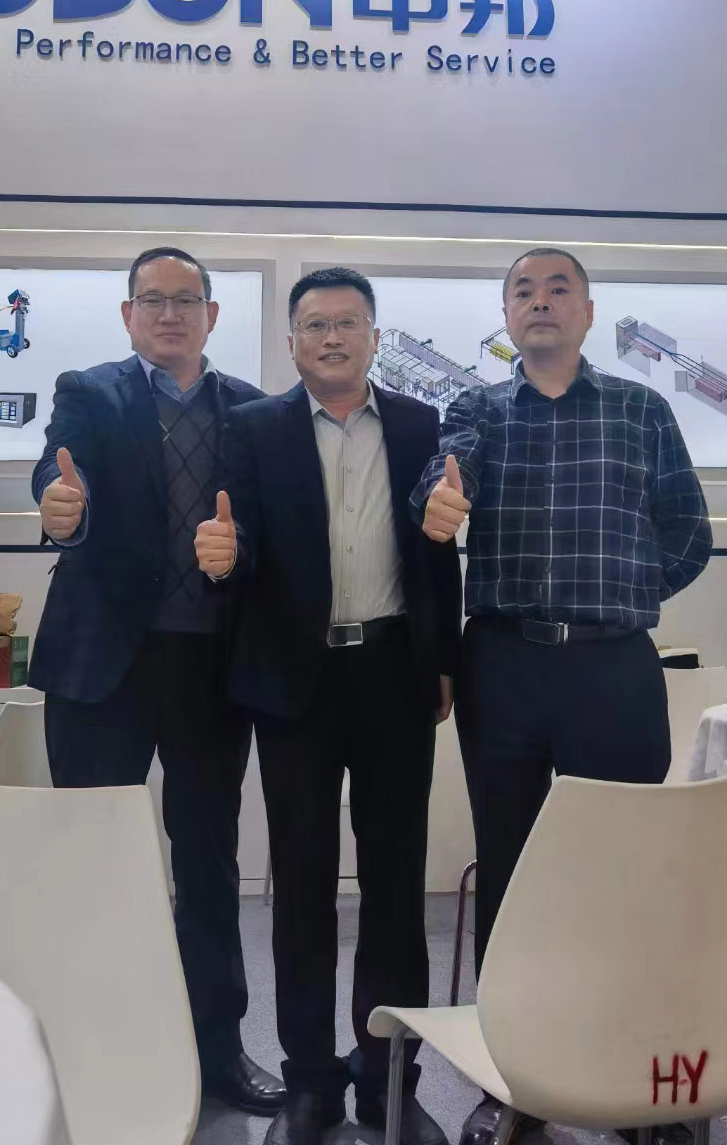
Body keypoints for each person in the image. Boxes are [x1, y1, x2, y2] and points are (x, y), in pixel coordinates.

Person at [413, 247, 713, 1145]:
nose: (539, 302)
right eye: (523, 291)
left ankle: (633, 1076)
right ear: (506, 317)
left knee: (623, 872)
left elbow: (688, 533)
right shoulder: (476, 408)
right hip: (503, 666)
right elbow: (444, 481)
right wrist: (437, 503)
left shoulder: (640, 409)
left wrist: (623, 593)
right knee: (512, 873)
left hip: (613, 669)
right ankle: (518, 1079)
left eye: (558, 290)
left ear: (587, 312)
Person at [195, 267, 462, 1145]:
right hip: (293, 683)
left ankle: (389, 1079)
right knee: (302, 888)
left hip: (394, 674)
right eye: (316, 325)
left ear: (376, 337)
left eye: (349, 323)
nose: (333, 337)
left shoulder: (421, 424)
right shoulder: (252, 428)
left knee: (394, 885)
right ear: (292, 343)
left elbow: (436, 554)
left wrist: (444, 662)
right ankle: (310, 1080)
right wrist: (223, 556)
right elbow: (236, 538)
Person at [29, 246, 285, 1116]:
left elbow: (267, 530)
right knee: (93, 859)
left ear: (212, 315)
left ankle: (218, 1049)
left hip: (208, 665)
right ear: (128, 314)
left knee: (209, 863)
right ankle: (90, 1042)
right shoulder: (90, 391)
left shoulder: (251, 409)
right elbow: (57, 469)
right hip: (103, 663)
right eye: (152, 300)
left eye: (185, 300)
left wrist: (238, 549)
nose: (169, 314)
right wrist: (61, 507)